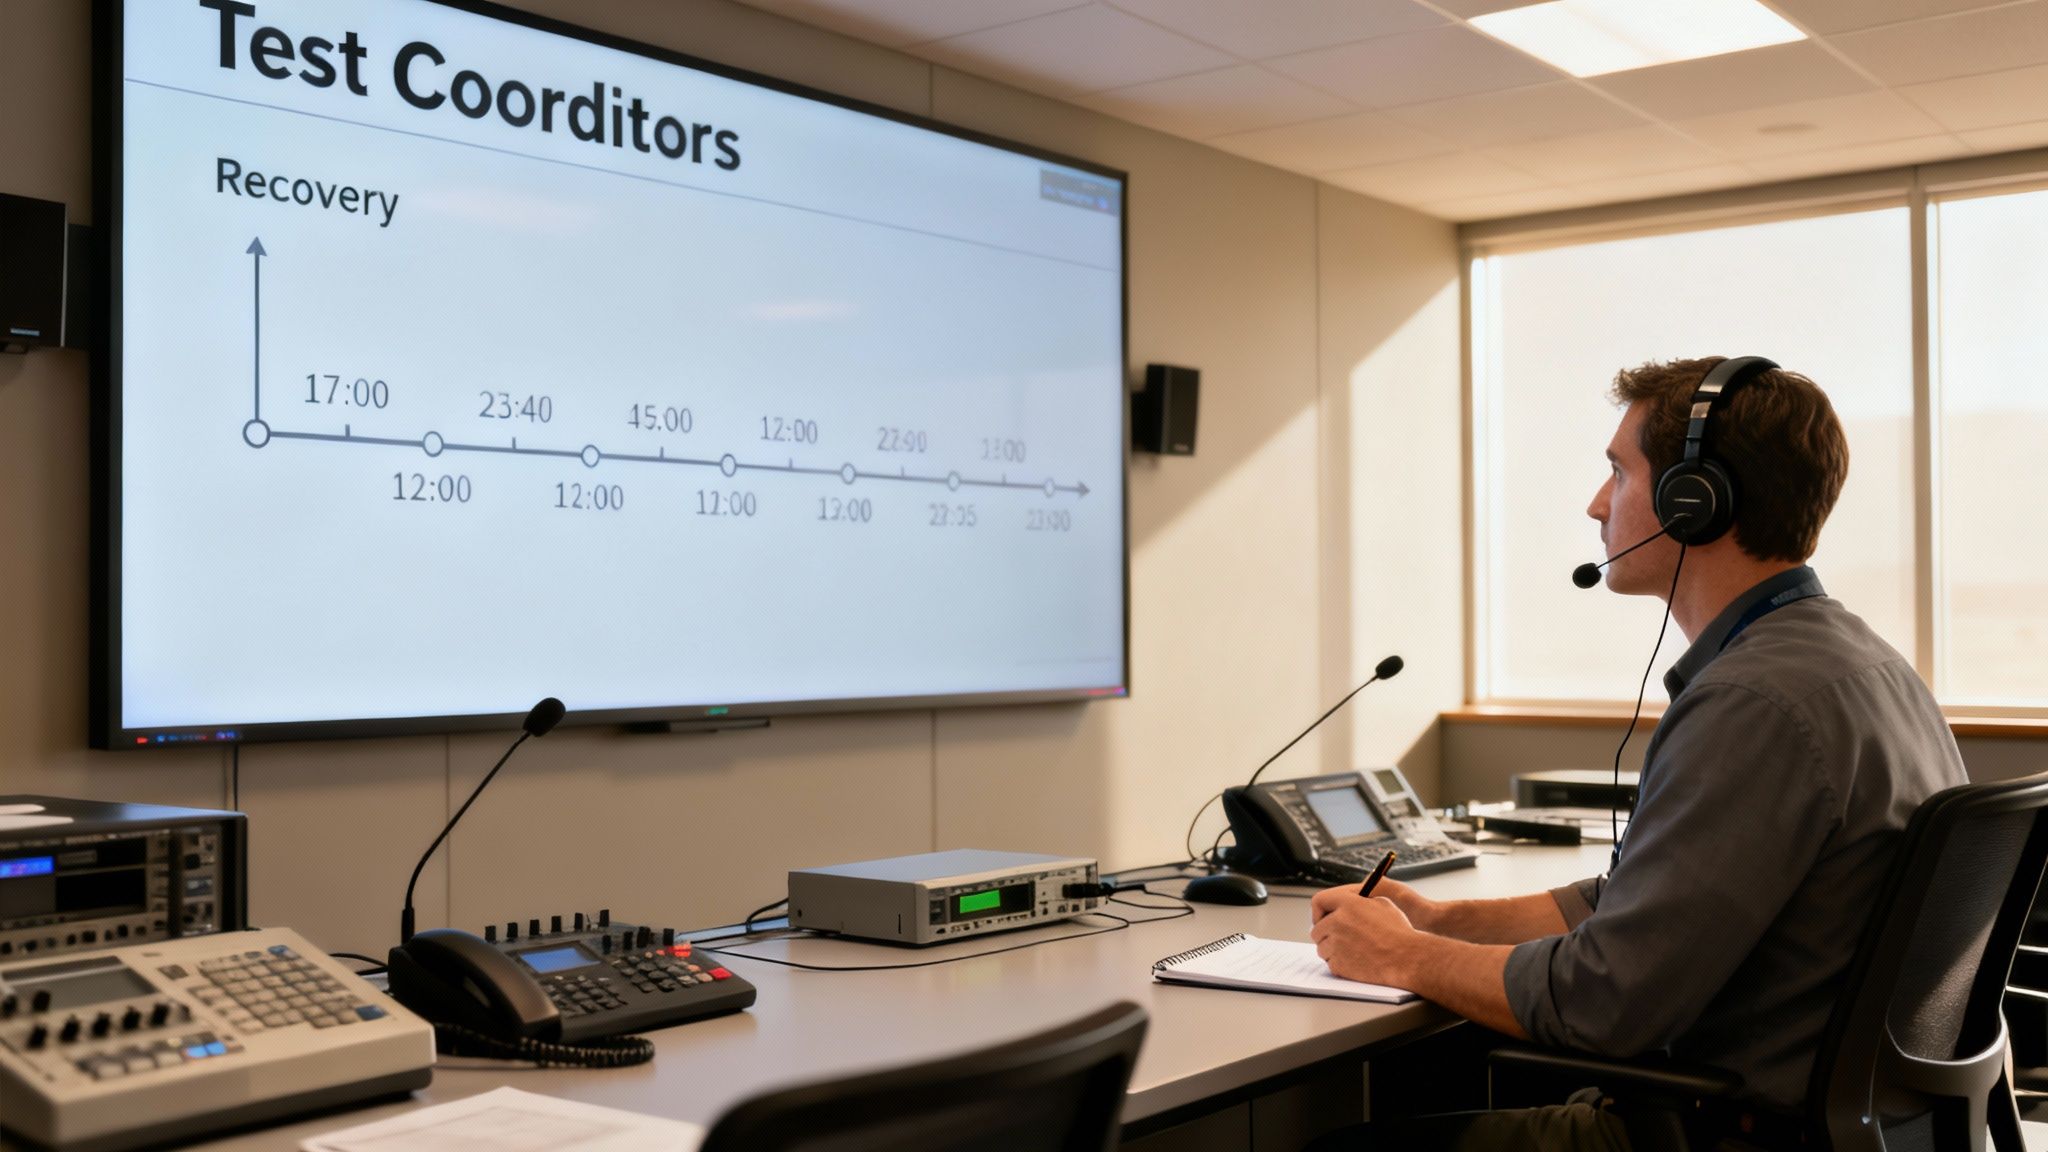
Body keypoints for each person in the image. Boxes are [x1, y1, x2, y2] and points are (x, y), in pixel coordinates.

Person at [1304, 358, 1967, 1151]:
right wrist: (1444, 921)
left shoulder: (1753, 703)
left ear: (1696, 503)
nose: (1595, 502)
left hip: (1721, 1132)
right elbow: (1652, 900)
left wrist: (1405, 957)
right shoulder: (1859, 663)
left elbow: (1603, 1002)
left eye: (1618, 471)